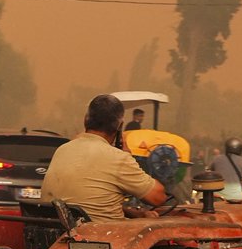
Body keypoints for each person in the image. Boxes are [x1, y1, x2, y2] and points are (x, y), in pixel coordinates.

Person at [41, 94, 169, 221]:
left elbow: (84, 203)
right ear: (119, 126)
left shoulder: (62, 150)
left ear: (85, 120)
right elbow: (158, 197)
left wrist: (133, 213)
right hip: (100, 237)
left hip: (59, 233)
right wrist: (128, 156)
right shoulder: (118, 158)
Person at [209, 137, 242, 203]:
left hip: (217, 196)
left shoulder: (217, 159)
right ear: (240, 149)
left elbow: (211, 172)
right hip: (236, 197)